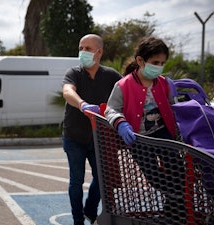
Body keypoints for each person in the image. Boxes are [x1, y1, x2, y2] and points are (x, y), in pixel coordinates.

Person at [104, 36, 184, 223]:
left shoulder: (163, 83)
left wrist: (180, 126)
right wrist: (121, 123)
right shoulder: (123, 85)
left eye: (162, 63)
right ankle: (174, 201)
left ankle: (173, 211)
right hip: (139, 139)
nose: (159, 66)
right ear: (140, 61)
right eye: (155, 62)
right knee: (153, 176)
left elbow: (173, 106)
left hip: (164, 135)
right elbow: (111, 109)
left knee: (177, 171)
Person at [62, 34, 122, 225]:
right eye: (81, 48)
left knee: (103, 179)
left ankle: (90, 208)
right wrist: (82, 104)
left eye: (87, 48)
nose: (82, 52)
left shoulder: (111, 76)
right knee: (76, 181)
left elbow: (127, 90)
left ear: (99, 52)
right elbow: (67, 91)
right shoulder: (74, 72)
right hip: (74, 137)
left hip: (100, 138)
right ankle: (78, 220)